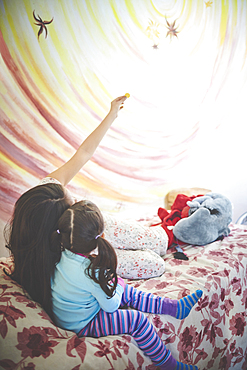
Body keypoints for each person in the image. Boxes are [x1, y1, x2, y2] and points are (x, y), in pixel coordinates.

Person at [4, 95, 127, 319]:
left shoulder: (47, 194)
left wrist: (111, 115)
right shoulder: (63, 262)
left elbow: (83, 154)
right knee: (152, 255)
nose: (75, 199)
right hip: (101, 234)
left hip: (104, 228)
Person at [51, 200, 203, 370]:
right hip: (85, 324)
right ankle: (169, 364)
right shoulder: (90, 273)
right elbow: (111, 306)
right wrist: (119, 284)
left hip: (73, 314)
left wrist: (117, 286)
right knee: (136, 319)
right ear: (100, 236)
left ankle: (173, 308)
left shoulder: (60, 256)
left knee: (125, 290)